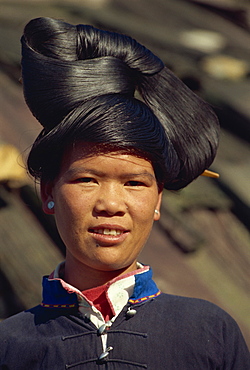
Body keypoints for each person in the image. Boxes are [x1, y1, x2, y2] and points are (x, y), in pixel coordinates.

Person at [0, 17, 249, 369]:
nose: (111, 205)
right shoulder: (10, 346)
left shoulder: (209, 332)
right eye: (87, 180)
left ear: (158, 199)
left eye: (134, 183)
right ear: (48, 193)